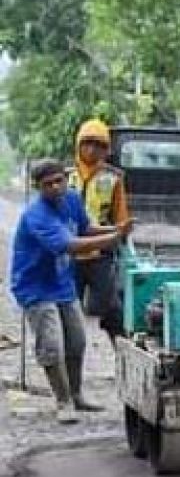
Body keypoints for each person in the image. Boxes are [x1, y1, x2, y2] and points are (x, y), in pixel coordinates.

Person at [10, 159, 132, 423]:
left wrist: (116, 228)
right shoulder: (36, 215)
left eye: (59, 181)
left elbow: (85, 227)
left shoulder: (73, 199)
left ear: (66, 179)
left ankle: (76, 395)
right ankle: (63, 401)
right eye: (48, 184)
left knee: (76, 341)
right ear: (38, 187)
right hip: (34, 286)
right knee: (52, 345)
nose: (55, 187)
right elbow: (71, 245)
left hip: (61, 281)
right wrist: (112, 239)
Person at [67, 119, 129, 347]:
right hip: (69, 253)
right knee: (65, 306)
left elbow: (120, 216)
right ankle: (69, 353)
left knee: (111, 307)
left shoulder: (113, 178)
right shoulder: (64, 177)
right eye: (87, 143)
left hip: (100, 253)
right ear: (78, 145)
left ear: (106, 149)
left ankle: (121, 350)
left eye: (99, 145)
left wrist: (120, 235)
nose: (92, 150)